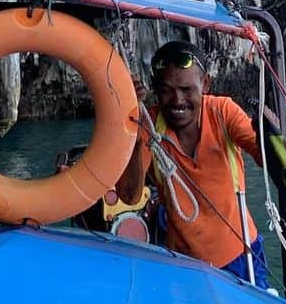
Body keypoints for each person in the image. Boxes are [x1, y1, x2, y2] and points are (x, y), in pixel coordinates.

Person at [116, 40, 273, 286]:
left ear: (205, 84)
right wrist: (134, 119)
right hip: (183, 264)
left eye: (187, 89)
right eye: (167, 90)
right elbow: (129, 195)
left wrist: (273, 137)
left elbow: (266, 156)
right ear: (155, 89)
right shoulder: (150, 124)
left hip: (241, 256)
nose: (178, 100)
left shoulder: (223, 112)